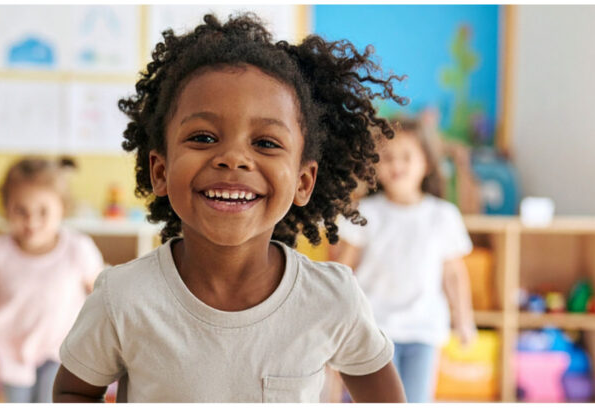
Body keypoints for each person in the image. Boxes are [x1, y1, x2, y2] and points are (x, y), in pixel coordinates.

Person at [52, 13, 407, 402]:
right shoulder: (122, 297)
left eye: (267, 143)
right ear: (160, 171)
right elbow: (73, 392)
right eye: (204, 137)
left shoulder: (331, 298)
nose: (234, 158)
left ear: (303, 181)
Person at [331, 117, 478, 402]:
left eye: (406, 157)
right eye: (387, 157)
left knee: (416, 400)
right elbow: (343, 271)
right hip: (374, 330)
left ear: (427, 163)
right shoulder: (365, 213)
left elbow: (453, 275)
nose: (396, 165)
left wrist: (464, 319)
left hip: (423, 330)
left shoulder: (443, 216)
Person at [0, 157, 104, 403]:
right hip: (11, 349)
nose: (31, 221)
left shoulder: (78, 249)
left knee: (50, 399)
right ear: (6, 207)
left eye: (43, 212)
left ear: (62, 208)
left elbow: (100, 294)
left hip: (61, 345)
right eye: (20, 211)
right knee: (18, 401)